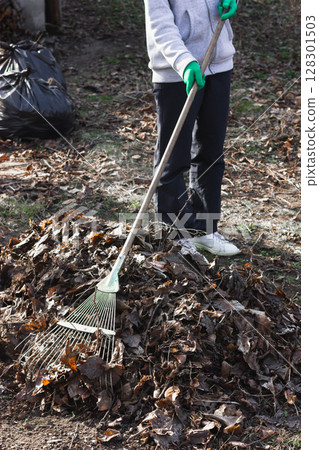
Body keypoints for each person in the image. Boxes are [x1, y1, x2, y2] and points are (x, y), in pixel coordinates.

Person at [144, 0, 240, 256]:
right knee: (173, 156)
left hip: (218, 64)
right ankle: (175, 234)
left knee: (211, 152)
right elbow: (160, 23)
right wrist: (184, 62)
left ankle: (203, 230)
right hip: (177, 72)